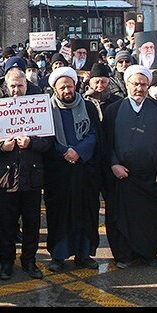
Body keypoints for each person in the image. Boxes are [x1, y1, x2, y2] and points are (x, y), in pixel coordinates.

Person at [103, 65, 157, 269]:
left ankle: (148, 254)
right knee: (122, 218)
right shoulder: (113, 110)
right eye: (135, 84)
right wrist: (114, 164)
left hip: (152, 177)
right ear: (127, 85)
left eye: (143, 84)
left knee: (150, 219)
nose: (139, 88)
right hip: (123, 176)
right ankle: (123, 256)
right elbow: (105, 143)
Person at [0, 68, 52, 281]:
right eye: (13, 86)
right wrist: (0, 147)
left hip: (32, 176)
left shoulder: (38, 106)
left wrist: (31, 142)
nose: (16, 90)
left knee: (32, 223)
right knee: (6, 225)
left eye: (20, 86)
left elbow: (48, 141)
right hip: (6, 177)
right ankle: (6, 263)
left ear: (27, 85)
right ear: (7, 87)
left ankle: (29, 261)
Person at [45, 67, 102, 272]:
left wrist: (78, 151)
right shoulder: (47, 109)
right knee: (60, 215)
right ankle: (58, 255)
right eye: (62, 87)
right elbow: (46, 137)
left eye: (69, 86)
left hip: (84, 170)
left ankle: (83, 254)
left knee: (86, 212)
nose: (67, 90)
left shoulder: (88, 106)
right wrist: (64, 151)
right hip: (58, 172)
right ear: (55, 89)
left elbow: (94, 133)